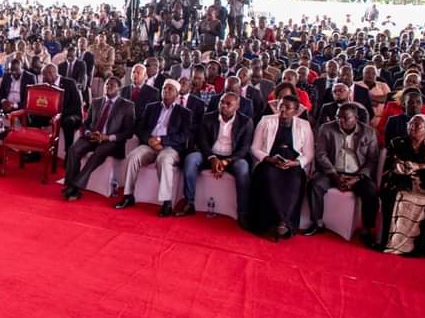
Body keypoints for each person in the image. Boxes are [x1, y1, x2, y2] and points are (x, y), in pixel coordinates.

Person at [115, 79, 192, 217]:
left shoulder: (184, 112)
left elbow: (184, 135)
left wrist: (162, 140)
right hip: (150, 144)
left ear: (176, 93)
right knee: (133, 156)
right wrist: (149, 139)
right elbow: (140, 127)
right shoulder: (151, 107)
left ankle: (166, 202)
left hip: (169, 147)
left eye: (170, 89)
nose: (166, 91)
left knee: (163, 159)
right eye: (164, 88)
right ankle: (128, 196)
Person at [305, 104, 378, 245]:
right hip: (332, 171)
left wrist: (357, 177)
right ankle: (317, 223)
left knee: (371, 191)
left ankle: (366, 229)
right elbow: (321, 154)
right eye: (338, 117)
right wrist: (334, 175)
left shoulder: (368, 132)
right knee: (314, 184)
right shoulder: (326, 128)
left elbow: (372, 160)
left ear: (355, 118)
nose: (340, 120)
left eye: (345, 118)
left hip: (357, 174)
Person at [178, 92, 253, 226]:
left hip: (232, 158)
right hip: (209, 154)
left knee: (243, 169)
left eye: (228, 104)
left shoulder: (245, 122)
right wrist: (212, 158)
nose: (223, 105)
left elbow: (244, 148)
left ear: (237, 106)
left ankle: (243, 213)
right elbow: (202, 141)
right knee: (191, 160)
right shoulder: (208, 117)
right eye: (221, 102)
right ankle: (189, 203)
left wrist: (226, 161)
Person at [250, 95, 315, 241]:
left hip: (293, 163)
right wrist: (269, 159)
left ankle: (283, 222)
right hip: (270, 160)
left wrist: (296, 163)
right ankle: (278, 221)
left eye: (287, 108)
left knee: (294, 181)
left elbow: (309, 153)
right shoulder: (266, 120)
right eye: (281, 106)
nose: (283, 110)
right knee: (269, 177)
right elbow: (255, 148)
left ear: (296, 110)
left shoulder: (304, 125)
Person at [379, 115, 425, 256]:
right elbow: (389, 165)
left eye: (417, 126)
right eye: (410, 125)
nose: (412, 128)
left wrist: (418, 168)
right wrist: (400, 167)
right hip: (401, 180)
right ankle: (391, 242)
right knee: (393, 195)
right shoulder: (397, 143)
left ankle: (423, 246)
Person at [62, 76, 135, 201]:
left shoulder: (127, 105)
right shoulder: (96, 102)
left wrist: (108, 137)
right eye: (107, 84)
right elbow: (86, 123)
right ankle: (70, 183)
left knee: (98, 153)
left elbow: (128, 131)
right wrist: (89, 133)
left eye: (112, 85)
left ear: (119, 88)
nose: (108, 86)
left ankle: (75, 186)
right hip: (93, 137)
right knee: (74, 149)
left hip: (111, 142)